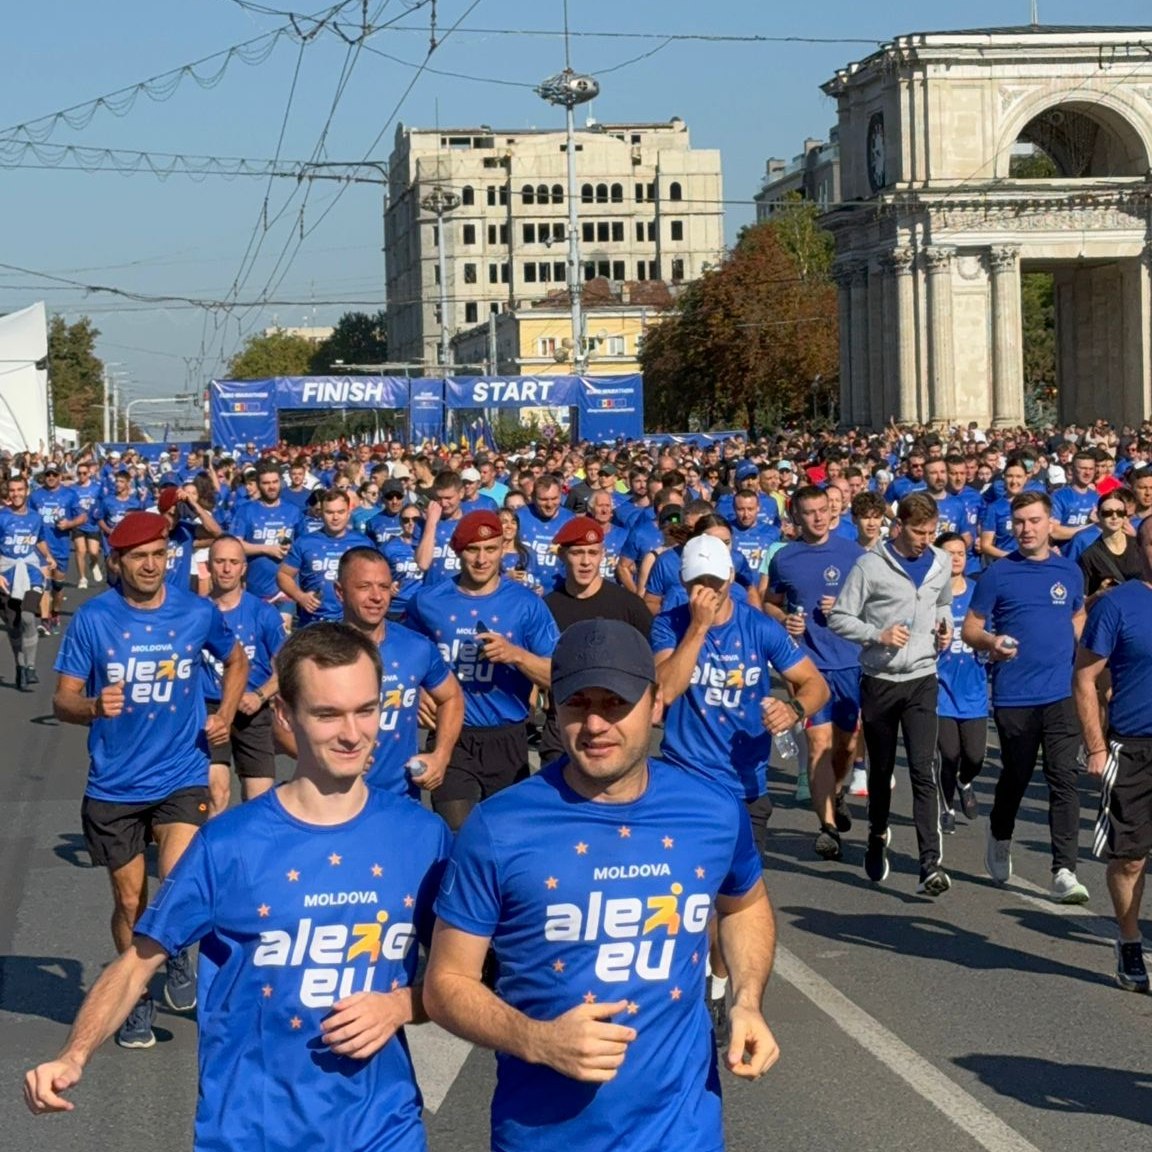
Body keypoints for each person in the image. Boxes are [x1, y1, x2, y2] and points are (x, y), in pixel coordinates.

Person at [26, 622, 452, 1150]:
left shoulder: (423, 835)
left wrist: (401, 1006)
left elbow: (460, 979)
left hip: (382, 1127)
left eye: (366, 710)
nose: (352, 733)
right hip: (253, 1129)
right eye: (327, 714)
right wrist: (73, 1055)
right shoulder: (229, 842)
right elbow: (138, 961)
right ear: (286, 716)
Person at [424, 618, 781, 1152]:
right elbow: (445, 984)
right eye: (576, 703)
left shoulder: (711, 810)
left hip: (682, 1130)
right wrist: (538, 1040)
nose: (594, 724)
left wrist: (746, 1001)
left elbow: (744, 905)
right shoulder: (499, 826)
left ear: (657, 704)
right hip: (545, 1134)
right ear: (552, 705)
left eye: (615, 703)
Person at [52, 511, 247, 1046]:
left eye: (159, 555)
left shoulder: (196, 612)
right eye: (139, 557)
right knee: (130, 903)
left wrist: (225, 716)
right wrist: (91, 705)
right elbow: (62, 699)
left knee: (179, 880)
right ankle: (134, 996)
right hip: (114, 785)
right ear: (117, 562)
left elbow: (236, 662)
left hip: (181, 772)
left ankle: (176, 950)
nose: (151, 566)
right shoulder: (94, 619)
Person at [652, 533, 827, 1030]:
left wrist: (791, 709)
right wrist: (698, 631)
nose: (707, 592)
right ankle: (693, 982)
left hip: (745, 786)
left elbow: (815, 684)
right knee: (693, 894)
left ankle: (719, 980)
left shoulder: (759, 628)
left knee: (733, 897)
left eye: (716, 581)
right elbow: (664, 690)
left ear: (731, 578)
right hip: (685, 779)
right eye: (697, 584)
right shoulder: (669, 625)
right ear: (684, 584)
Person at [961, 489, 1090, 904]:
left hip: (1060, 692)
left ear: (1050, 524)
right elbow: (971, 628)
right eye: (1018, 522)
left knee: (1063, 777)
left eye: (1034, 521)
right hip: (1015, 694)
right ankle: (1000, 835)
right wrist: (991, 641)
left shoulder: (1069, 571)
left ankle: (1064, 868)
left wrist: (1086, 653)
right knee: (1016, 775)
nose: (1026, 529)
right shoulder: (998, 573)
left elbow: (1077, 615)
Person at [827, 492, 954, 896]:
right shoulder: (870, 565)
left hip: (921, 676)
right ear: (898, 526)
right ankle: (877, 834)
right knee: (881, 772)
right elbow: (839, 617)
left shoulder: (941, 562)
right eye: (918, 531)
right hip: (880, 679)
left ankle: (930, 864)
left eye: (932, 532)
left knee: (922, 769)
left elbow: (944, 604)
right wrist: (876, 634)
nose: (925, 539)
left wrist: (944, 628)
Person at [406, 510, 559, 831]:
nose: (481, 559)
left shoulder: (526, 604)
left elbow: (556, 676)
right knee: (459, 833)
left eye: (490, 549)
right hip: (452, 737)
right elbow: (403, 654)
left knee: (502, 840)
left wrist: (516, 656)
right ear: (458, 551)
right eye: (473, 549)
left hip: (508, 737)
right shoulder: (428, 601)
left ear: (504, 548)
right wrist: (416, 690)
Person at [1074, 517, 1152, 991]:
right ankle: (1128, 938)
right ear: (1140, 549)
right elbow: (1085, 678)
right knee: (1131, 858)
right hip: (1134, 745)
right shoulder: (1117, 606)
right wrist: (1097, 747)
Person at [765, 485, 864, 859]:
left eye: (823, 510)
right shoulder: (785, 558)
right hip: (808, 665)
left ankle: (838, 793)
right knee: (819, 743)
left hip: (850, 661)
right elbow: (770, 603)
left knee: (847, 744)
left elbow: (875, 605)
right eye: (809, 512)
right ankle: (826, 828)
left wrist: (845, 606)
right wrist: (784, 618)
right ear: (796, 518)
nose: (818, 517)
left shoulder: (854, 553)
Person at [334, 547, 464, 798]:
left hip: (401, 798)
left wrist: (441, 755)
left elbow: (452, 697)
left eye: (384, 587)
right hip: (333, 798)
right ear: (340, 592)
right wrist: (330, 762)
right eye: (364, 587)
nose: (376, 597)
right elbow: (282, 725)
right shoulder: (316, 650)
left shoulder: (417, 647)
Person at [540, 517, 654, 765]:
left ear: (602, 555)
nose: (585, 562)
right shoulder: (546, 608)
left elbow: (654, 659)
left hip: (615, 724)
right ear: (562, 555)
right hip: (562, 724)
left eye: (592, 553)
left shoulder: (628, 606)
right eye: (578, 553)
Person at [202, 536, 286, 815]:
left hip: (252, 708)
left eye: (233, 562)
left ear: (243, 568)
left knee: (259, 801)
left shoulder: (263, 613)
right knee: (217, 792)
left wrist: (261, 694)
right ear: (209, 566)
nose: (226, 569)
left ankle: (252, 855)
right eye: (220, 562)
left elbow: (286, 665)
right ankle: (216, 855)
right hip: (210, 707)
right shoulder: (196, 613)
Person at [933, 532, 987, 834]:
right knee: (949, 754)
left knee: (975, 756)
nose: (956, 558)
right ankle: (947, 807)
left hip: (974, 687)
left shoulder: (979, 592)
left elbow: (989, 630)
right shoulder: (929, 593)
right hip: (941, 688)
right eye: (950, 553)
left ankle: (966, 782)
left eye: (961, 553)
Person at [277, 488, 373, 627]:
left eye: (340, 512)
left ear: (348, 513)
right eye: (329, 512)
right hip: (314, 623)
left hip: (352, 623)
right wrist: (300, 596)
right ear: (321, 513)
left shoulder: (363, 543)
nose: (335, 517)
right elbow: (283, 575)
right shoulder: (304, 542)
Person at [228, 459, 305, 628]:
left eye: (275, 482)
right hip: (255, 586)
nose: (271, 487)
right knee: (258, 634)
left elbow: (302, 546)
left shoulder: (293, 511)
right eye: (266, 483)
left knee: (282, 632)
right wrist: (266, 549)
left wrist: (291, 549)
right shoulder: (246, 511)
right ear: (258, 485)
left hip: (284, 587)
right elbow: (235, 545)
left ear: (281, 482)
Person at [0, 474, 57, 689]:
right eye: (12, 490)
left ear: (26, 491)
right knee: (14, 626)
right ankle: (20, 666)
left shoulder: (35, 517)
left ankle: (31, 667)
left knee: (27, 617)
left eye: (19, 490)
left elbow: (39, 539)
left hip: (31, 572)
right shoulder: (2, 517)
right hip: (7, 574)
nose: (15, 494)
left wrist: (48, 556)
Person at [30, 464, 87, 632]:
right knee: (44, 584)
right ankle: (45, 620)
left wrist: (70, 523)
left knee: (57, 586)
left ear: (60, 475)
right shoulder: (35, 496)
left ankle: (55, 612)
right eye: (48, 474)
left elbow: (83, 516)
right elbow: (27, 516)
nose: (51, 477)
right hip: (40, 547)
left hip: (60, 546)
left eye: (54, 474)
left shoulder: (69, 495)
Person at [1077, 490, 1142, 602]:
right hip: (1110, 614)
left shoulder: (1139, 546)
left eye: (1120, 512)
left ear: (1125, 516)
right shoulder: (1089, 556)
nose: (1114, 517)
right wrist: (1098, 593)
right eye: (1108, 513)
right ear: (1098, 516)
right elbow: (1081, 602)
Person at [516, 474, 574, 583]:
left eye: (554, 498)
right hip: (523, 589)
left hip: (559, 590)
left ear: (561, 496)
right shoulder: (519, 517)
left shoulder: (570, 520)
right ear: (533, 497)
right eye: (543, 499)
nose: (549, 504)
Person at [70, 459, 105, 587]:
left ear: (89, 473)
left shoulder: (97, 487)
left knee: (94, 552)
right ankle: (82, 578)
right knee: (80, 550)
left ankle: (94, 563)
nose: (82, 476)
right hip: (78, 523)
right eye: (79, 473)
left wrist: (100, 514)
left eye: (84, 473)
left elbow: (102, 503)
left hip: (93, 524)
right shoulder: (73, 488)